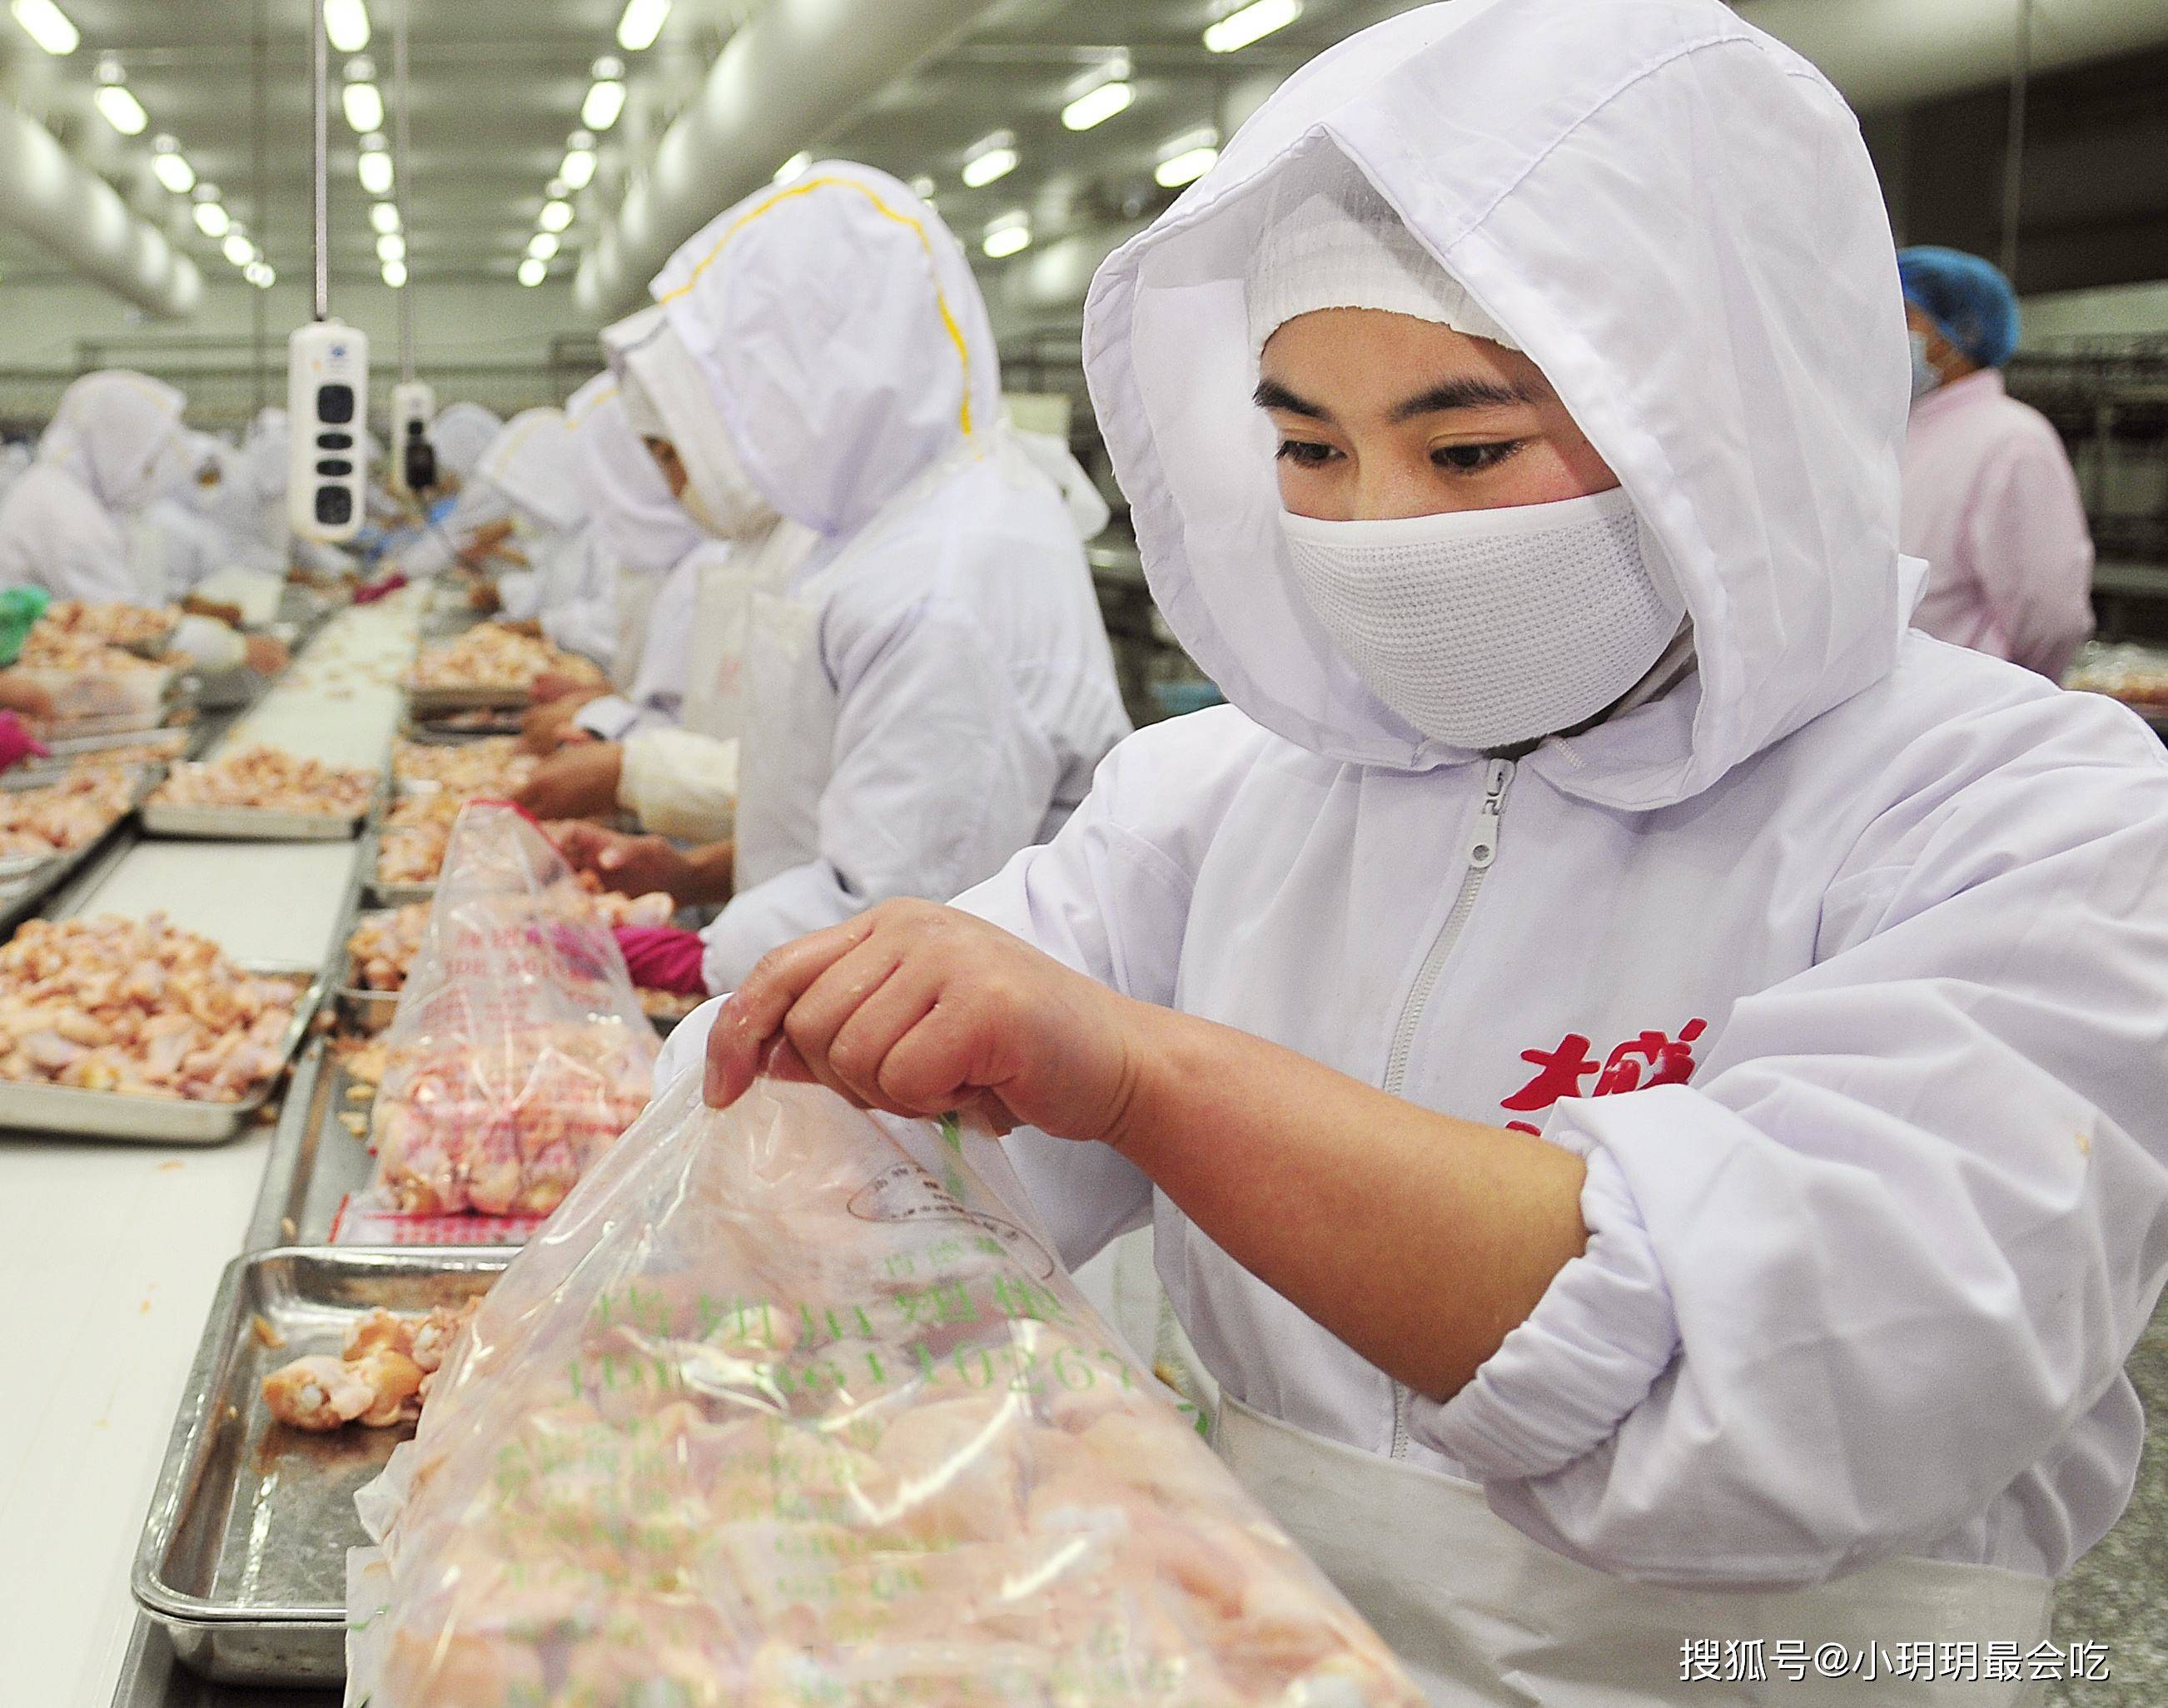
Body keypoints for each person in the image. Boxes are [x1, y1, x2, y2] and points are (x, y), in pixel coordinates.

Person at [651, 5, 2168, 1703]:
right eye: (1309, 447)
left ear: (1714, 420)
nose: (1376, 531)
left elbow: (1805, 1373)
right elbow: (889, 1164)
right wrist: (698, 1205)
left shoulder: (2022, 815)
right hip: (1264, 1656)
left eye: (1464, 449)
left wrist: (1154, 1083)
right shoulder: (1221, 803)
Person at [553, 164, 1131, 1000]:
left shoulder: (947, 578)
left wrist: (663, 955)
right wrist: (698, 874)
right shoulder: (873, 529)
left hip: (940, 1065)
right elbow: (842, 813)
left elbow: (897, 909)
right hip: (855, 1010)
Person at [1899, 245, 2095, 680]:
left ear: (1962, 332)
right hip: (1899, 712)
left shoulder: (2014, 439)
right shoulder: (1900, 433)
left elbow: (2050, 616)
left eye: (1907, 316)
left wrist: (2009, 697)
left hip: (1968, 713)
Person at [465, 406, 618, 669]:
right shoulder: (562, 530)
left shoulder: (610, 529)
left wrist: (538, 626)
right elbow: (552, 588)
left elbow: (612, 618)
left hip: (599, 674)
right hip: (567, 665)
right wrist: (503, 592)